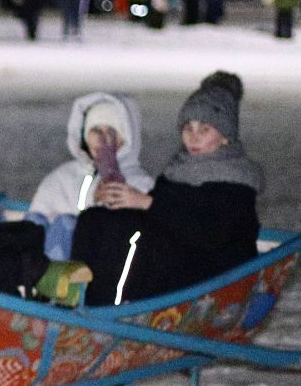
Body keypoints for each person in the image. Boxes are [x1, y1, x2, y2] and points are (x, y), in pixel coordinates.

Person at [70, 72, 262, 306]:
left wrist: (146, 203)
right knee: (95, 219)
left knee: (134, 238)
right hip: (180, 253)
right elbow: (160, 210)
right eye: (188, 128)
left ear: (225, 137)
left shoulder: (235, 180)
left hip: (212, 271)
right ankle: (77, 298)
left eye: (204, 130)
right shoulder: (180, 168)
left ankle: (108, 307)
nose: (193, 137)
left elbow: (208, 234)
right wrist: (119, 201)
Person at [26, 93, 154, 262]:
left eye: (111, 131)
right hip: (47, 263)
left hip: (100, 262)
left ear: (126, 138)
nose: (102, 139)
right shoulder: (62, 177)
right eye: (96, 130)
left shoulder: (138, 182)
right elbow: (37, 216)